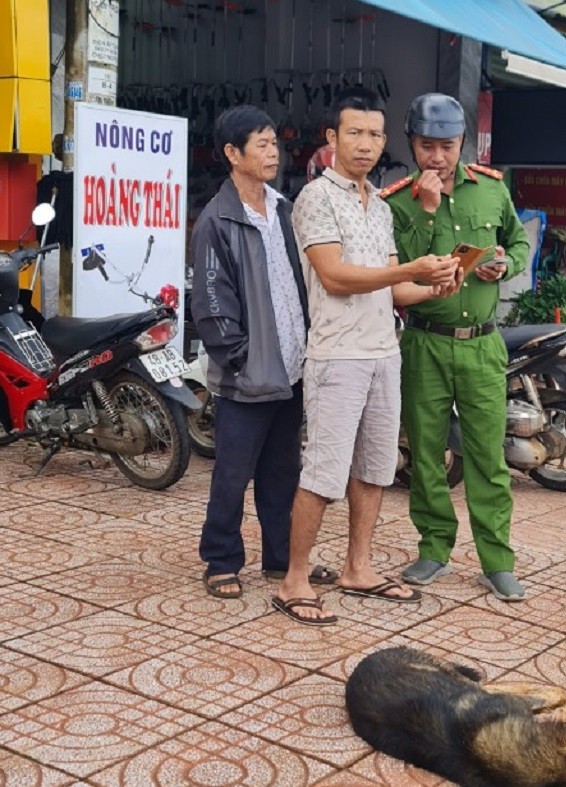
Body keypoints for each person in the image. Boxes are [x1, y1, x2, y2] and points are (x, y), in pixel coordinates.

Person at [274, 87, 461, 625]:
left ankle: (359, 567)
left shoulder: (379, 205)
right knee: (324, 473)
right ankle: (294, 580)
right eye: (354, 132)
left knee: (376, 469)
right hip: (337, 355)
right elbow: (335, 276)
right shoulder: (315, 198)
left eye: (375, 135)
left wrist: (439, 283)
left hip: (384, 351)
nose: (366, 144)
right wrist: (411, 270)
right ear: (331, 138)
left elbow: (393, 292)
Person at [384, 93, 530, 602]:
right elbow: (399, 268)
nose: (438, 159)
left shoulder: (491, 190)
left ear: (462, 142)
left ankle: (497, 560)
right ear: (412, 145)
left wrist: (506, 265)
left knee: (488, 455)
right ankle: (434, 548)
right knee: (426, 453)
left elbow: (518, 241)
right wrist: (426, 214)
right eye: (427, 147)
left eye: (447, 146)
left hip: (482, 346)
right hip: (424, 341)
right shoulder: (398, 202)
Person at [191, 105, 317, 599]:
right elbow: (211, 300)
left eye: (273, 143)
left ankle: (279, 558)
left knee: (282, 470)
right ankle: (221, 558)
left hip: (292, 368)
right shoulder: (216, 221)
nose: (272, 152)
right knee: (232, 473)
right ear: (232, 153)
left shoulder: (285, 209)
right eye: (261, 144)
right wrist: (241, 357)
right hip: (247, 373)